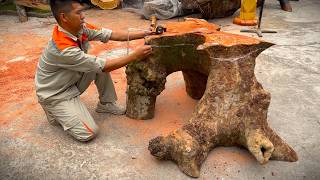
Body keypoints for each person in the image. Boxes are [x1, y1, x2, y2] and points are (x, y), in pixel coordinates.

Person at [35, 0, 152, 142]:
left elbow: (111, 34)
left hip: (70, 81)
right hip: (55, 94)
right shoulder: (63, 48)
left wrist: (145, 33)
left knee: (95, 63)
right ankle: (54, 111)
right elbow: (105, 66)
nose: (83, 16)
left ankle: (106, 103)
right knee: (89, 132)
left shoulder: (80, 29)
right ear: (64, 17)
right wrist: (135, 55)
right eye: (78, 12)